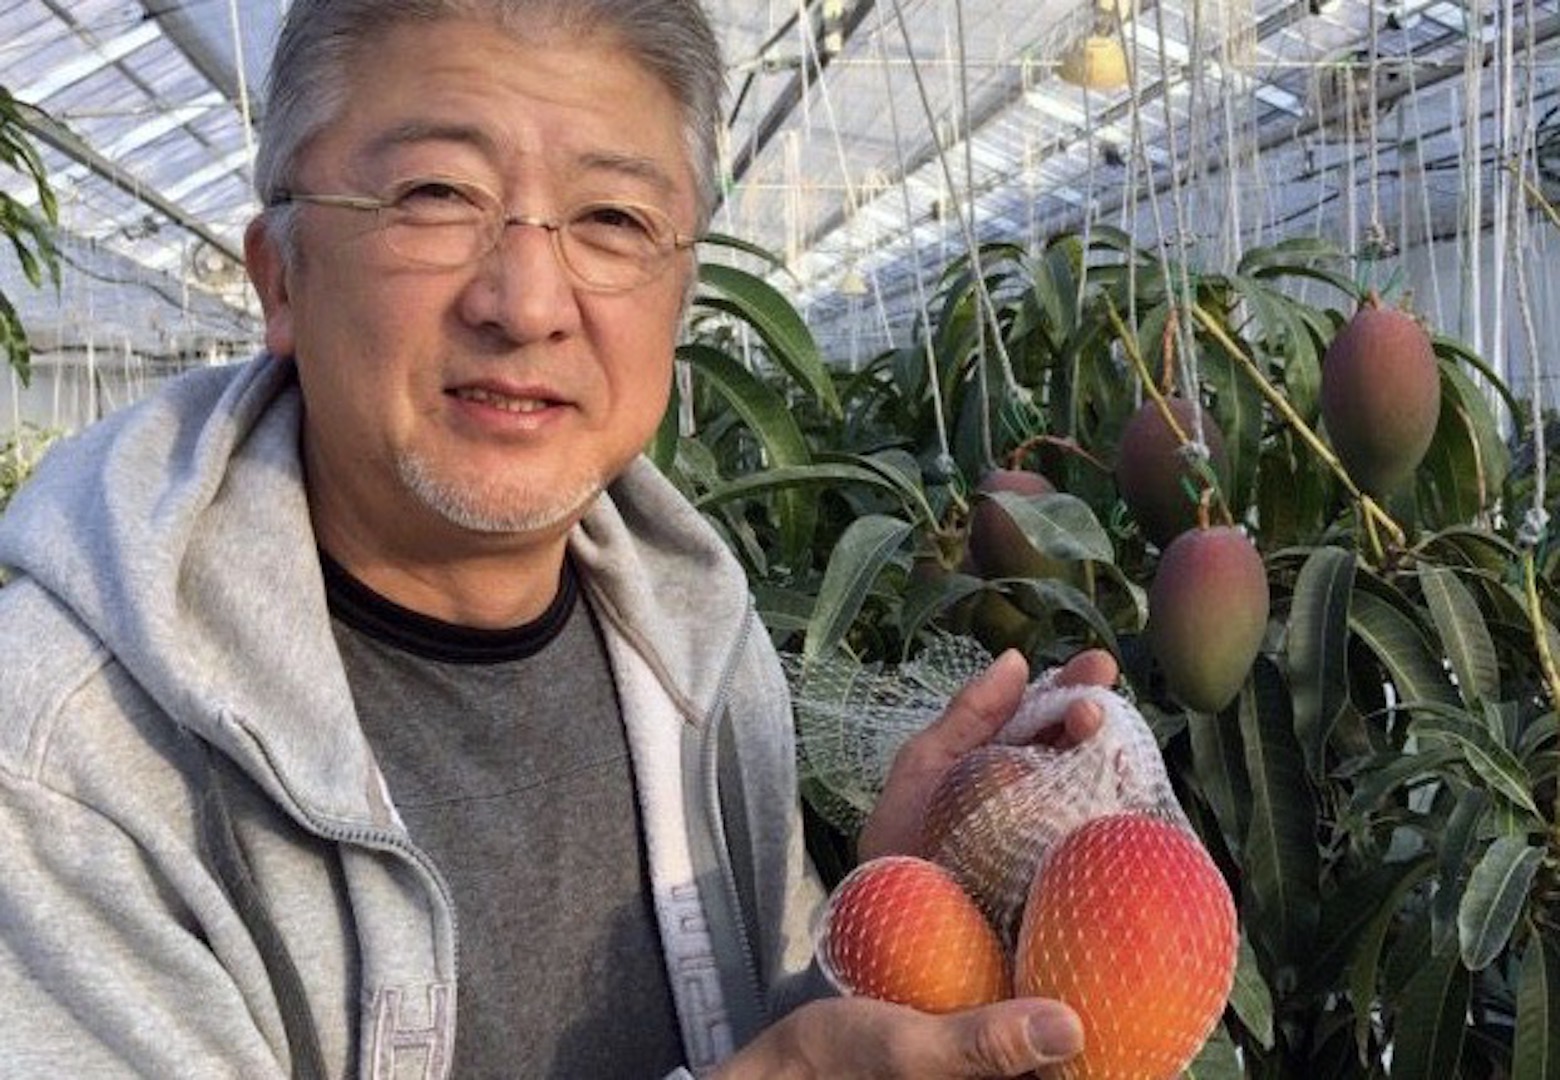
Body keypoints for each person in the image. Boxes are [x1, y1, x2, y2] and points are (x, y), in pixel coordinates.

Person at [0, 1, 1119, 1076]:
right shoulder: (64, 760)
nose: (527, 302)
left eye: (615, 220)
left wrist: (878, 933)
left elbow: (745, 1036)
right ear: (281, 279)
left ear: (679, 298)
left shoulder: (700, 645)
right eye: (436, 195)